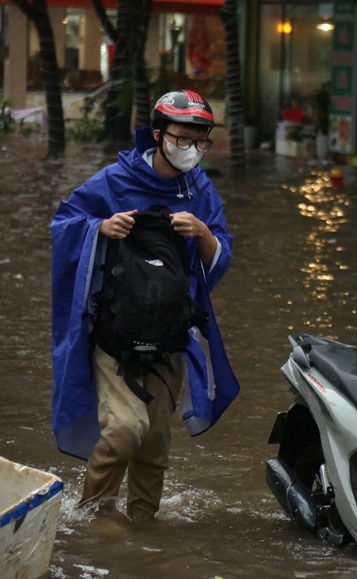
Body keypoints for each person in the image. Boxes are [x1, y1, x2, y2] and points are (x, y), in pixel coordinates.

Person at [50, 90, 240, 521]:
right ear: (158, 134)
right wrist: (100, 227)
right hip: (114, 331)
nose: (191, 148)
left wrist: (203, 235)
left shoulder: (201, 190)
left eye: (201, 140)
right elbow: (63, 225)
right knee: (124, 431)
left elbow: (221, 256)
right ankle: (93, 520)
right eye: (182, 137)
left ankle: (140, 530)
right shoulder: (114, 181)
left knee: (154, 444)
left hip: (171, 332)